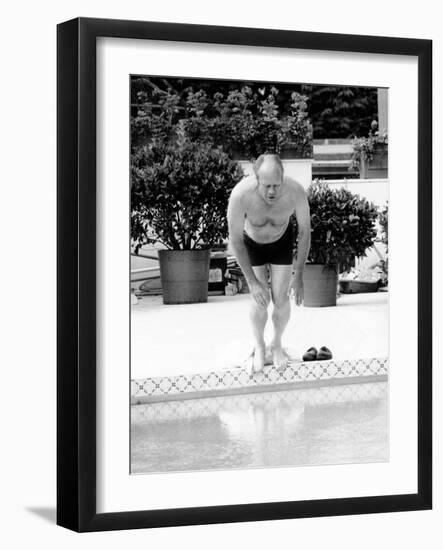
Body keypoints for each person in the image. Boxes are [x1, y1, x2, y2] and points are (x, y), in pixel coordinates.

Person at [227, 154, 311, 373]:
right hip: (251, 244)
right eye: (266, 186)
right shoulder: (240, 195)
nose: (272, 192)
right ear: (256, 179)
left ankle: (276, 343)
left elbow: (304, 232)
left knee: (281, 298)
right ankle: (259, 343)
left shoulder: (295, 192)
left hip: (281, 241)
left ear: (283, 178)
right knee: (260, 299)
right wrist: (252, 282)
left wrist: (299, 274)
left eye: (276, 185)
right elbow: (235, 239)